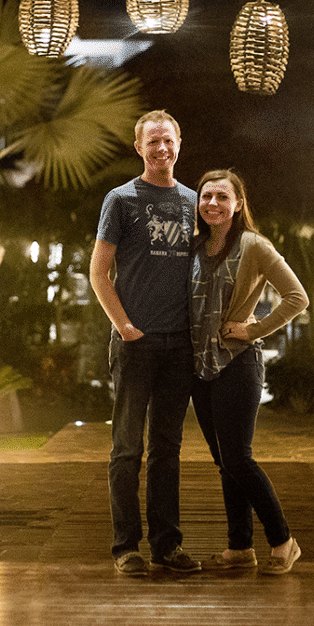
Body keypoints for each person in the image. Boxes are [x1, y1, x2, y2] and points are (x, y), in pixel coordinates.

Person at [90, 110, 201, 576]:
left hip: (180, 344)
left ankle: (167, 545)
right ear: (139, 148)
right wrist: (124, 326)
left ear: (179, 143)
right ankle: (125, 547)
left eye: (168, 141)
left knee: (167, 449)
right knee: (127, 448)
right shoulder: (121, 200)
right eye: (152, 142)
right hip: (135, 343)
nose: (161, 149)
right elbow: (98, 272)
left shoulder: (197, 202)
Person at [189, 169, 308, 575]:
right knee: (224, 460)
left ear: (238, 204)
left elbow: (297, 297)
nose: (213, 204)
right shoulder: (195, 246)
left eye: (223, 197)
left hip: (238, 364)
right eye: (207, 196)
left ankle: (283, 540)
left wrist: (253, 329)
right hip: (201, 369)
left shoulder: (253, 246)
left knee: (238, 458)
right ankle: (240, 546)